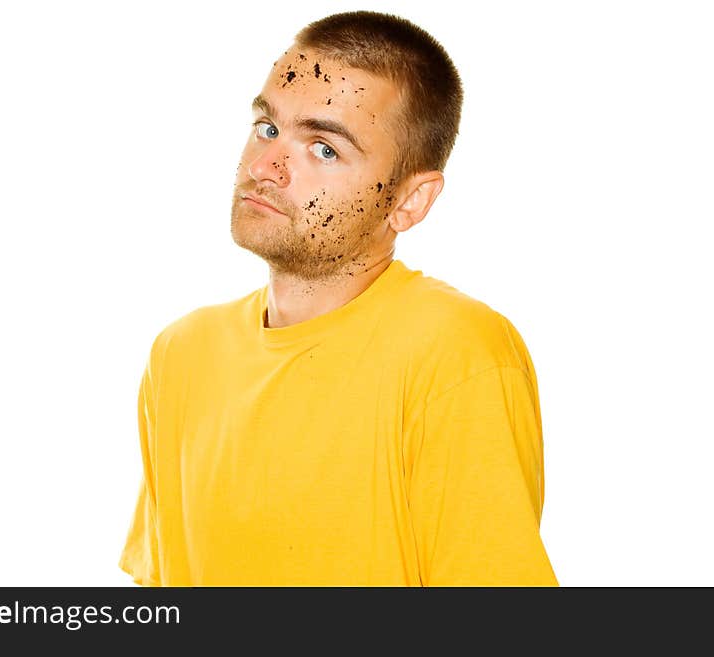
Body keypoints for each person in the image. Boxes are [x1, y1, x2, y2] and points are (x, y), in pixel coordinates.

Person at [119, 10, 559, 586]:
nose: (264, 166)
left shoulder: (453, 353)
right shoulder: (180, 354)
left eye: (324, 148)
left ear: (409, 201)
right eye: (268, 127)